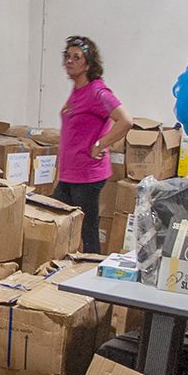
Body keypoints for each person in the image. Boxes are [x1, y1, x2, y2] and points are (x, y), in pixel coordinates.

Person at [53, 35, 131, 253]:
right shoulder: (78, 91)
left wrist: (100, 144)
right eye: (67, 57)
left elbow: (125, 120)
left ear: (88, 63)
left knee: (87, 232)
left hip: (87, 175)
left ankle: (89, 272)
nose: (69, 61)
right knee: (56, 221)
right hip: (70, 174)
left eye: (76, 58)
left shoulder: (97, 92)